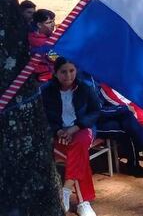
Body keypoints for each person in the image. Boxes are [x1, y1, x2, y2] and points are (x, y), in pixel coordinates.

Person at [42, 57, 101, 216]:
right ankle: (83, 203)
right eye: (63, 72)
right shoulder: (46, 91)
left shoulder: (85, 88)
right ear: (55, 73)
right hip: (59, 132)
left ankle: (66, 189)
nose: (68, 75)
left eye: (71, 71)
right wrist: (58, 131)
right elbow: (44, 116)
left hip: (81, 129)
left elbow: (95, 111)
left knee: (80, 144)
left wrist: (75, 128)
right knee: (77, 156)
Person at [29, 9, 56, 82]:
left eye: (53, 21)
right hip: (44, 78)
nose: (53, 24)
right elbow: (55, 58)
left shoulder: (46, 36)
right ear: (39, 25)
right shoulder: (38, 42)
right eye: (49, 22)